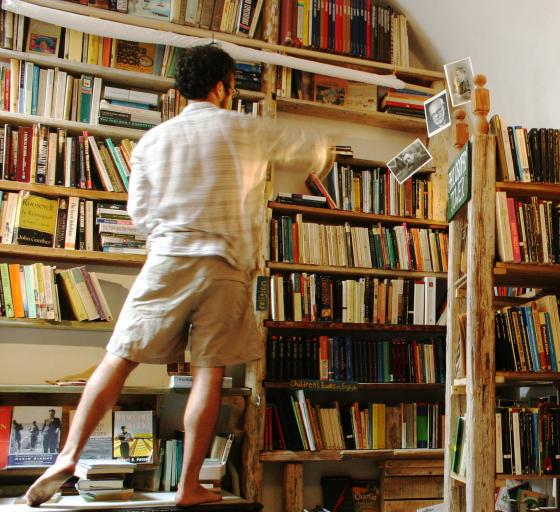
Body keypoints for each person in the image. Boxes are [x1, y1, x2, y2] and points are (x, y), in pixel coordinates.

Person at [25, 44, 331, 507]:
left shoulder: (152, 141)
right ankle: (189, 485)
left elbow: (140, 214)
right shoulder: (242, 127)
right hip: (224, 266)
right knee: (209, 374)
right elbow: (311, 150)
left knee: (118, 357)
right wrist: (321, 154)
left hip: (167, 258)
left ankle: (67, 456)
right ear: (222, 86)